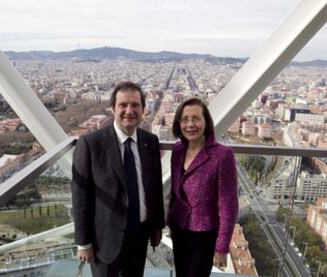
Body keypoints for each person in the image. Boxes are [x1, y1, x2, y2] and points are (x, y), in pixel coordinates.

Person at [72, 81, 165, 277]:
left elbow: (155, 187)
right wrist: (83, 243)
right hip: (105, 239)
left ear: (143, 110)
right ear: (113, 108)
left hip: (140, 236)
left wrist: (157, 225)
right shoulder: (91, 144)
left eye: (135, 105)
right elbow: (80, 197)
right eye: (123, 105)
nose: (129, 111)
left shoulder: (150, 141)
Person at [167, 97, 238, 277]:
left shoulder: (222, 155)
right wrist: (169, 220)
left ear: (206, 122)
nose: (190, 124)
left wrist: (222, 247)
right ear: (179, 123)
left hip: (204, 235)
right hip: (179, 229)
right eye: (185, 119)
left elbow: (228, 205)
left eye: (196, 118)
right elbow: (175, 194)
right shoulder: (177, 150)